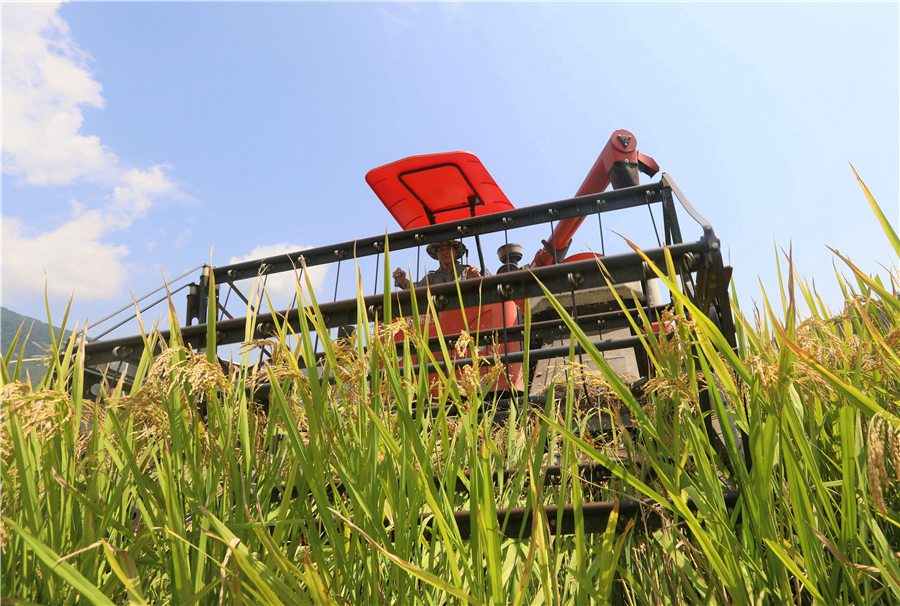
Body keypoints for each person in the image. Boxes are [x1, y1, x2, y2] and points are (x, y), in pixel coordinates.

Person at [393, 240, 483, 289]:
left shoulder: (468, 271)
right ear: (436, 254)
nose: (444, 252)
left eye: (448, 248)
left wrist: (476, 279)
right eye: (440, 250)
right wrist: (403, 280)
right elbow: (415, 290)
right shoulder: (431, 278)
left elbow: (489, 288)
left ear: (456, 252)